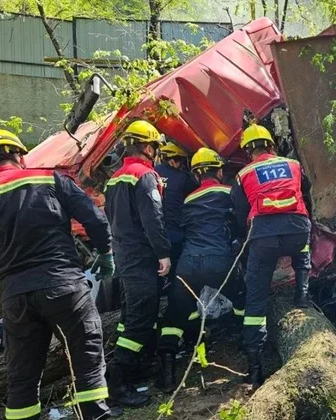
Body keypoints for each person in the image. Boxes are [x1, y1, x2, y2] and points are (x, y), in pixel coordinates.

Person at [0, 128, 116, 420]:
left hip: (16, 299)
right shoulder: (50, 179)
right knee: (86, 360)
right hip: (66, 288)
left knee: (22, 377)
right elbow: (94, 217)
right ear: (20, 155)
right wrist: (106, 252)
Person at [155, 147, 246, 392]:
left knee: (175, 314)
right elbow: (241, 222)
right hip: (220, 261)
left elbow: (183, 230)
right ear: (218, 170)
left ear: (196, 175)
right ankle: (247, 349)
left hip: (188, 265)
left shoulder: (188, 200)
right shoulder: (230, 192)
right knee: (241, 299)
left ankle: (167, 374)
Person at [231, 124, 313, 389]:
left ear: (247, 151)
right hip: (297, 229)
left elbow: (240, 211)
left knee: (255, 300)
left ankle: (255, 372)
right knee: (302, 247)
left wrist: (250, 238)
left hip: (263, 237)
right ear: (271, 144)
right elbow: (306, 193)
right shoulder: (293, 164)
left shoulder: (244, 174)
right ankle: (302, 295)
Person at [104, 120, 171, 407]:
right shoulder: (144, 176)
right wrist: (163, 253)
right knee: (141, 319)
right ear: (147, 147)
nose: (156, 153)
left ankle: (132, 369)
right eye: (155, 147)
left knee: (130, 316)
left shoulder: (115, 178)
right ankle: (118, 385)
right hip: (142, 258)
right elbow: (152, 220)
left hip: (123, 256)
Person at [155, 143, 198, 288]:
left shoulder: (150, 174)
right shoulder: (183, 178)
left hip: (153, 233)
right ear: (173, 161)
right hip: (175, 233)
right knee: (176, 270)